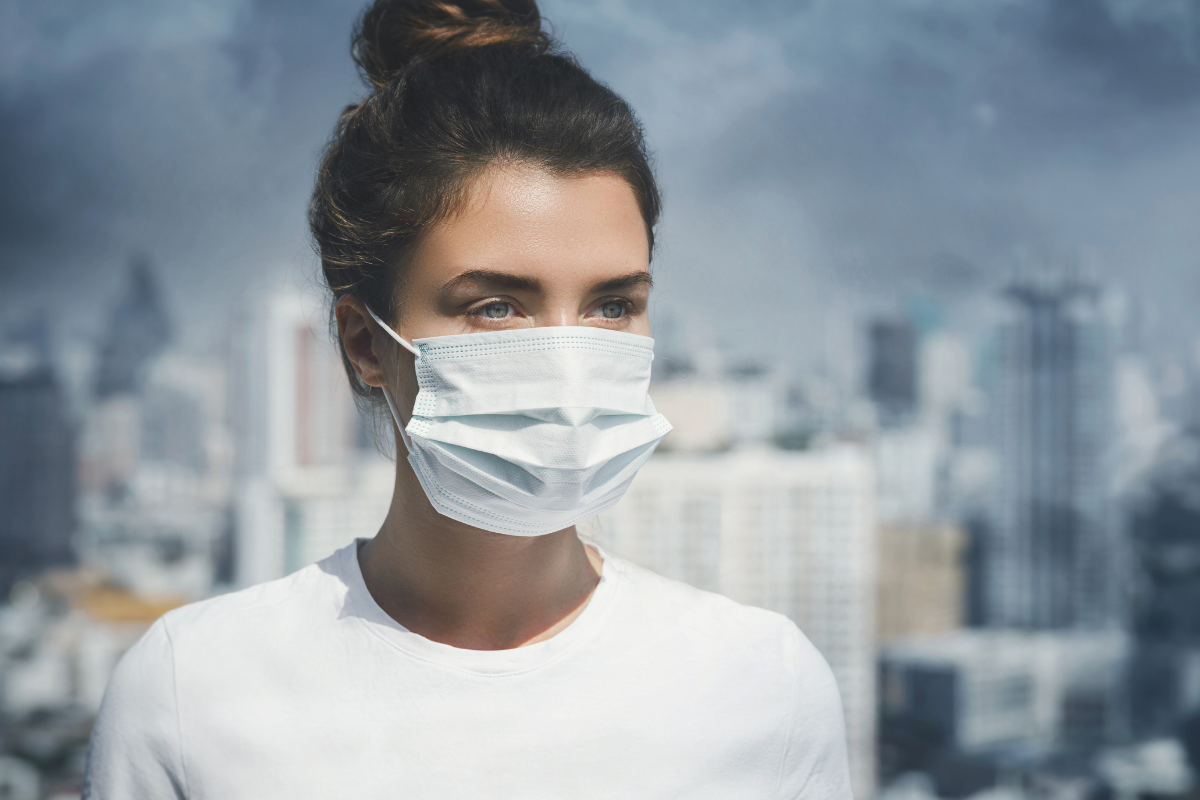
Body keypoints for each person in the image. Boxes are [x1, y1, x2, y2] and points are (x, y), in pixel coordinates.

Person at [82, 1, 853, 797]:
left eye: (612, 305)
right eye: (496, 305)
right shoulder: (192, 694)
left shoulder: (764, 686)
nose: (568, 357)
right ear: (365, 343)